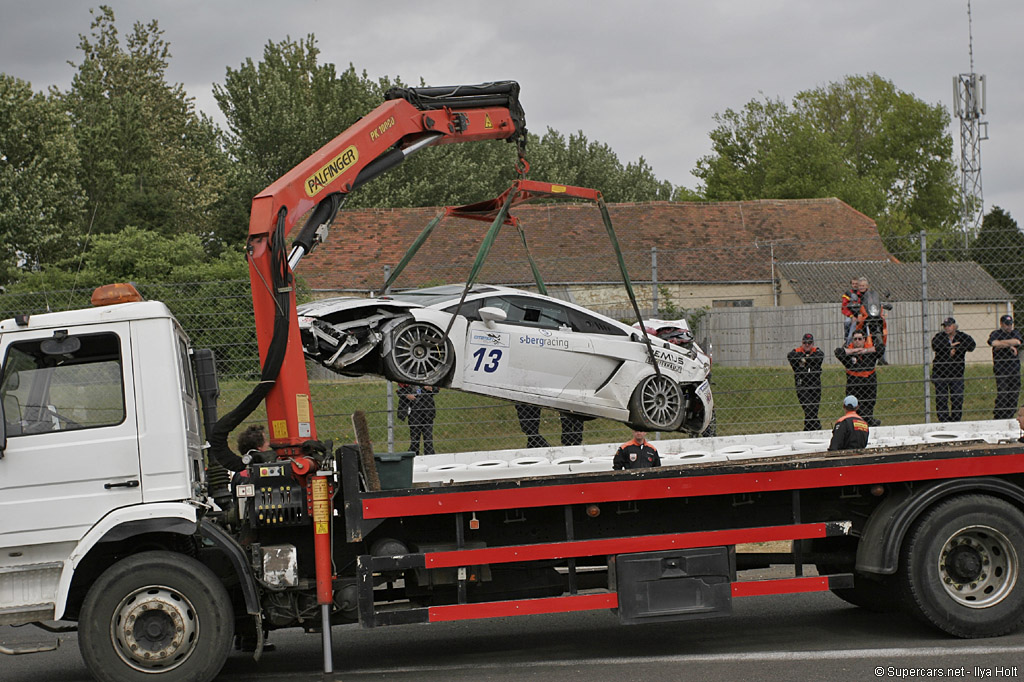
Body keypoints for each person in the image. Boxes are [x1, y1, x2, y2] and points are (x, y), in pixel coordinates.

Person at [930, 317, 976, 423]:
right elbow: (935, 346)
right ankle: (944, 420)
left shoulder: (962, 336)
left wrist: (958, 349)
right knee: (941, 399)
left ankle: (955, 420)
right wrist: (948, 348)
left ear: (955, 326)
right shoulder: (939, 337)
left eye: (949, 326)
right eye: (945, 326)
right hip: (940, 373)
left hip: (957, 373)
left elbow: (972, 346)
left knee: (957, 398)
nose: (947, 328)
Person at [834, 331, 884, 427]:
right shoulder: (849, 353)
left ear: (864, 340)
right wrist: (853, 351)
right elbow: (838, 352)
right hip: (853, 382)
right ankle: (856, 422)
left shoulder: (869, 351)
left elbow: (881, 349)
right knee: (853, 405)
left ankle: (868, 421)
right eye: (855, 339)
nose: (857, 341)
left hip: (869, 381)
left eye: (860, 339)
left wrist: (865, 350)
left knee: (869, 403)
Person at [988, 314, 1023, 420]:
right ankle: (999, 415)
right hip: (1001, 369)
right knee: (1003, 394)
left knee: (1014, 394)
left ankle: (1009, 415)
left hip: (1014, 369)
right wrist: (1010, 345)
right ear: (1001, 324)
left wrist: (1002, 344)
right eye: (1007, 324)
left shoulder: (1015, 333)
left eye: (1010, 324)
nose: (1009, 326)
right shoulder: (995, 333)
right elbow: (993, 343)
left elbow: (1018, 341)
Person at [787, 333, 824, 431]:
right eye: (805, 343)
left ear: (813, 343)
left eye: (810, 343)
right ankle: (817, 428)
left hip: (815, 383)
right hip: (802, 384)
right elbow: (791, 356)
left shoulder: (817, 351)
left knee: (814, 408)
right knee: (808, 407)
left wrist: (802, 360)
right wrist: (808, 360)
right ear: (802, 343)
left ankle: (808, 429)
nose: (807, 345)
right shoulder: (796, 351)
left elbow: (818, 358)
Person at [403, 384, 437, 455]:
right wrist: (406, 395)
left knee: (428, 439)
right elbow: (400, 390)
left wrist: (431, 388)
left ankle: (429, 457)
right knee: (415, 439)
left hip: (428, 411)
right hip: (414, 411)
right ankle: (413, 457)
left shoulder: (430, 377)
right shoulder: (409, 378)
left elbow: (436, 389)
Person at [841, 277, 861, 344]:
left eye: (856, 284)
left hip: (861, 314)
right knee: (847, 322)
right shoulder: (847, 294)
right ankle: (847, 340)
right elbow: (844, 306)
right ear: (851, 284)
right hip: (851, 315)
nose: (855, 285)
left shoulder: (862, 294)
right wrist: (852, 316)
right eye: (853, 284)